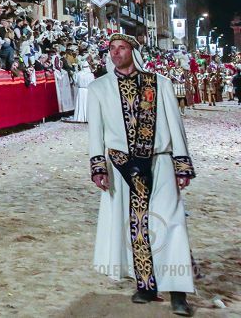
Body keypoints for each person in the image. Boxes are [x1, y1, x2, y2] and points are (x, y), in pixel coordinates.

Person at [87, 34, 196, 316]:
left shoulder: (160, 84)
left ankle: (178, 291)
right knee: (133, 225)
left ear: (133, 51)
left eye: (121, 47)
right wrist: (98, 166)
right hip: (122, 166)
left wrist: (181, 163)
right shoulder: (99, 88)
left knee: (170, 222)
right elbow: (95, 132)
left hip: (159, 162)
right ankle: (146, 285)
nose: (115, 52)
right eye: (111, 49)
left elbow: (175, 124)